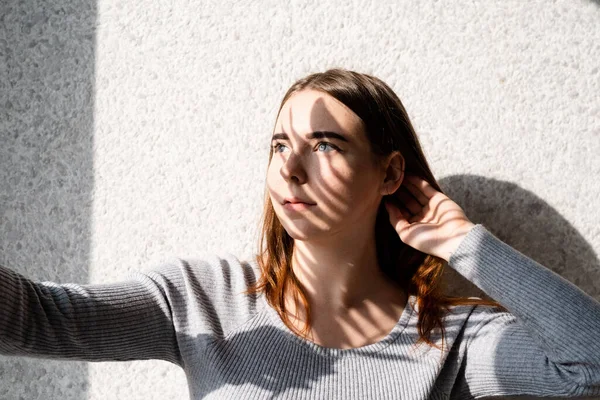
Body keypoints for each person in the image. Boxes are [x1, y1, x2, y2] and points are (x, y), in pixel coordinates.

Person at [1, 68, 599, 399]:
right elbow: (36, 317)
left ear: (390, 172)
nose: (290, 168)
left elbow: (589, 363)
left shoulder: (450, 339)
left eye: (324, 146)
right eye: (280, 145)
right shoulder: (201, 298)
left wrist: (466, 244)